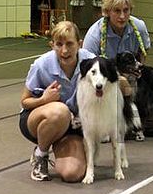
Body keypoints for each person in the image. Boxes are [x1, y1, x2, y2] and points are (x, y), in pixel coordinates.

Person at [19, 21, 96, 182]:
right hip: (40, 118)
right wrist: (44, 99)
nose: (64, 50)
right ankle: (41, 154)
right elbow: (25, 101)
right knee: (60, 111)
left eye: (69, 44)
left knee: (72, 174)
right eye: (59, 45)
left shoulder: (92, 63)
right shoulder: (41, 65)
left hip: (72, 126)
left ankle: (64, 148)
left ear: (79, 44)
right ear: (51, 45)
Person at [82, 0, 153, 137]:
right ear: (107, 12)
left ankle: (124, 126)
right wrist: (118, 81)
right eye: (117, 11)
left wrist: (135, 75)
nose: (122, 16)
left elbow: (142, 53)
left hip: (131, 85)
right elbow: (89, 73)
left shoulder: (139, 27)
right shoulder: (94, 36)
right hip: (104, 88)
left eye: (126, 10)